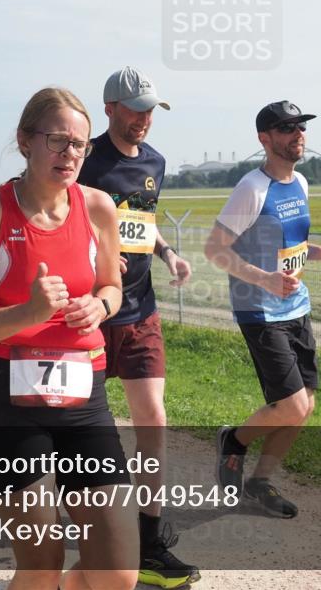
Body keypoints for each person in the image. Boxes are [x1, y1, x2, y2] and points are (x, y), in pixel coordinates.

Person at [0, 86, 137, 590]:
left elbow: (112, 286)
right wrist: (28, 312)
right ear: (25, 141)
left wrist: (101, 305)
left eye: (80, 145)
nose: (69, 154)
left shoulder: (98, 207)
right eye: (57, 140)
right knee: (42, 564)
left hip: (84, 398)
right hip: (8, 404)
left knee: (117, 573)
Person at [77, 67, 197, 588]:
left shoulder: (155, 162)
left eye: (151, 109)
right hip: (91, 314)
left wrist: (168, 254)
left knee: (153, 419)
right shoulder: (85, 160)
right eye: (135, 109)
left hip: (141, 311)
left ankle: (149, 541)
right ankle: (83, 526)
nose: (145, 118)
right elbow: (60, 218)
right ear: (109, 108)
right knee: (79, 430)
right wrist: (93, 256)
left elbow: (142, 220)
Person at [203, 101, 321, 518]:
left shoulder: (300, 183)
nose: (298, 134)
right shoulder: (252, 188)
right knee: (292, 405)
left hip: (296, 306)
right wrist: (264, 279)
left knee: (305, 406)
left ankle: (260, 483)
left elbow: (288, 247)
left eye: (301, 126)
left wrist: (318, 254)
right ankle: (234, 441)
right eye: (286, 128)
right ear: (265, 139)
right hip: (260, 311)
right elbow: (214, 249)